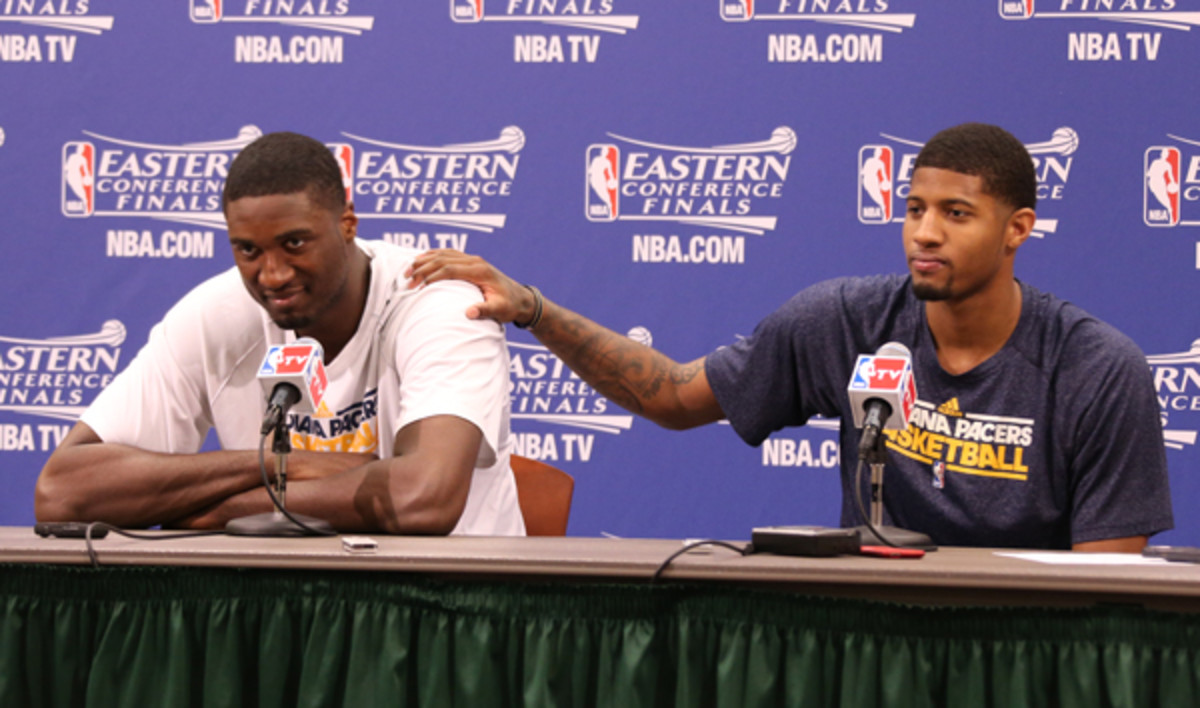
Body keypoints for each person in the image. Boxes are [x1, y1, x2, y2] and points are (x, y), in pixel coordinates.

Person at [408, 123, 1173, 551]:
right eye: (914, 209)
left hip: (1026, 647)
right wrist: (534, 309)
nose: (924, 233)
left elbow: (1104, 584)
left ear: (1018, 229)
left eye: (956, 214)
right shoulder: (845, 321)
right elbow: (673, 395)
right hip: (871, 638)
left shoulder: (1096, 367)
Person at [36, 131, 523, 535]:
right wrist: (273, 463)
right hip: (277, 600)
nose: (272, 275)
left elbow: (424, 500)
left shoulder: (437, 302)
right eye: (248, 250)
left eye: (294, 243)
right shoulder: (217, 312)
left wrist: (219, 513)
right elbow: (61, 495)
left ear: (347, 224)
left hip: (447, 601)